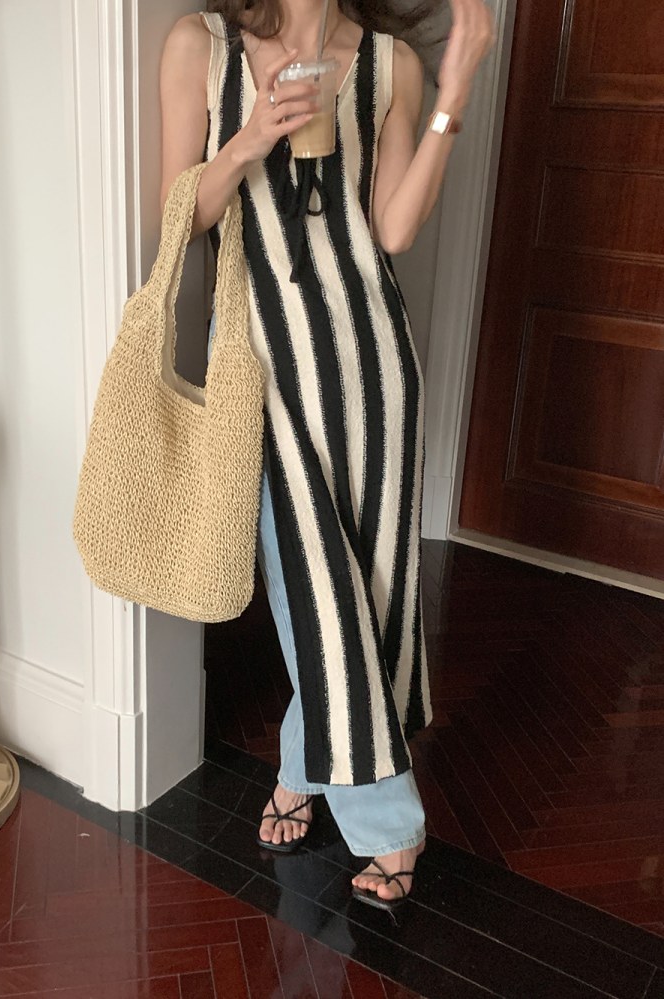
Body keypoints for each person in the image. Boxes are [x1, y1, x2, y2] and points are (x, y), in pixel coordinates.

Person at [159, 0, 494, 910]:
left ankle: (302, 765)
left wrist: (453, 92)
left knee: (373, 591)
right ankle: (389, 823)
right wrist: (248, 139)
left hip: (374, 360)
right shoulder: (202, 46)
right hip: (264, 364)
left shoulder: (389, 64)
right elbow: (179, 216)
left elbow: (392, 232)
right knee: (315, 588)